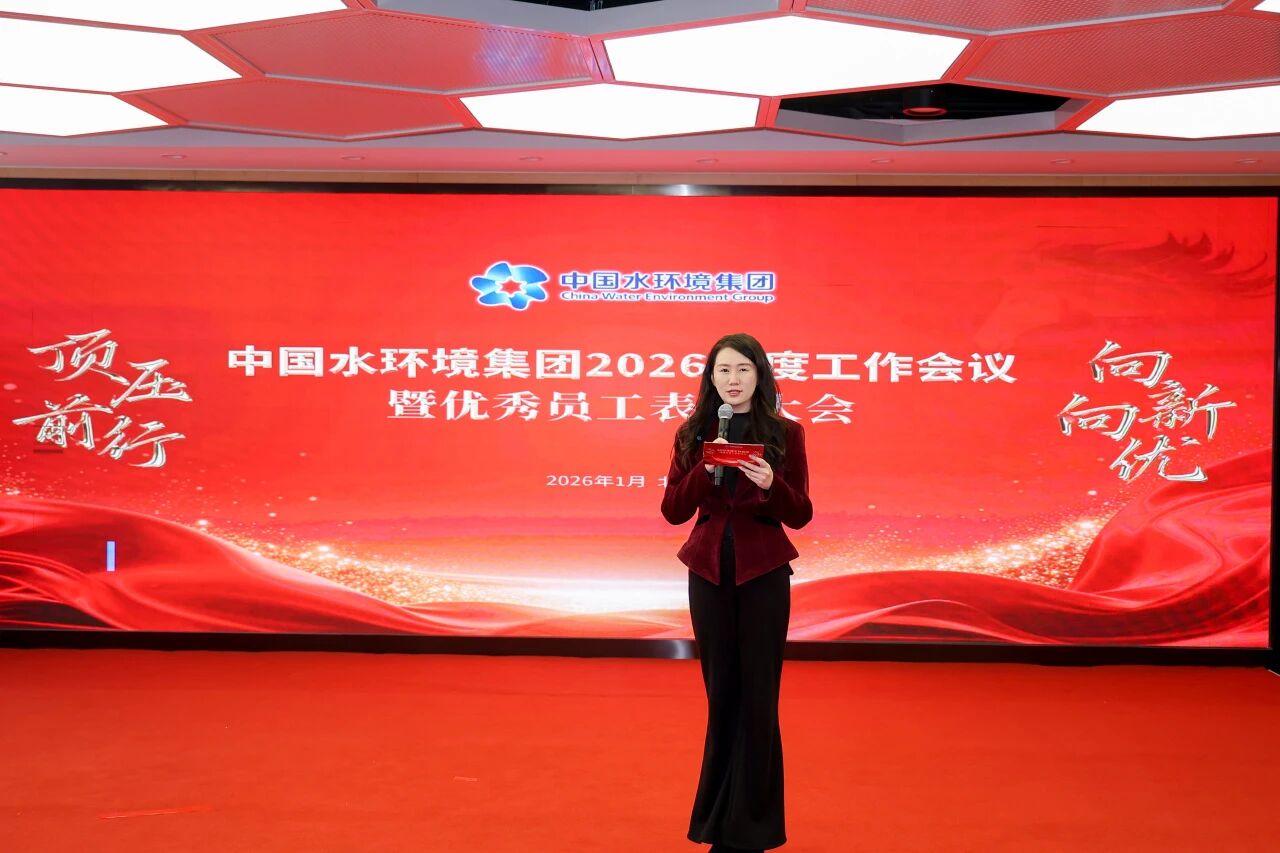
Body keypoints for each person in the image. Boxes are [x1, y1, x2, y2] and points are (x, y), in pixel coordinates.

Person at [660, 333, 813, 853]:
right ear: (710, 378)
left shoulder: (785, 433)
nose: (733, 379)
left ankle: (753, 830)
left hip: (763, 573)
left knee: (759, 697)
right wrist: (705, 472)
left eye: (744, 369)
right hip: (707, 573)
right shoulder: (693, 433)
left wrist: (771, 483)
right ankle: (717, 825)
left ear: (760, 376)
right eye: (723, 370)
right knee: (722, 695)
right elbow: (673, 510)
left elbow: (801, 513)